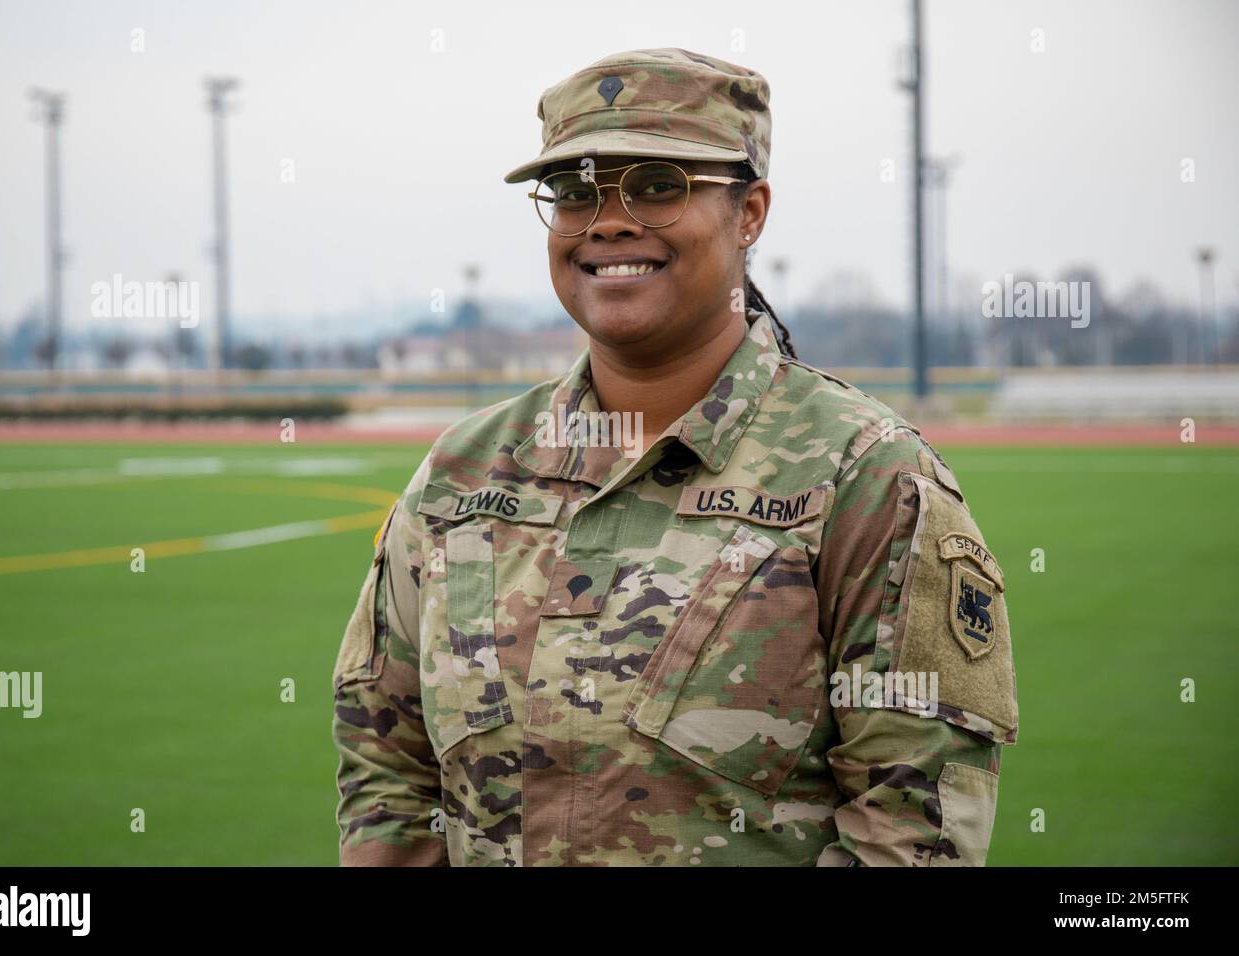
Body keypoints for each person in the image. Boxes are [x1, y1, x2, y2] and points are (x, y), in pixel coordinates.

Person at [332, 47, 1018, 867]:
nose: (608, 221)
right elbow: (386, 771)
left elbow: (914, 828)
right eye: (576, 192)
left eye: (658, 185)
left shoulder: (866, 480)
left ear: (750, 212)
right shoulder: (463, 476)